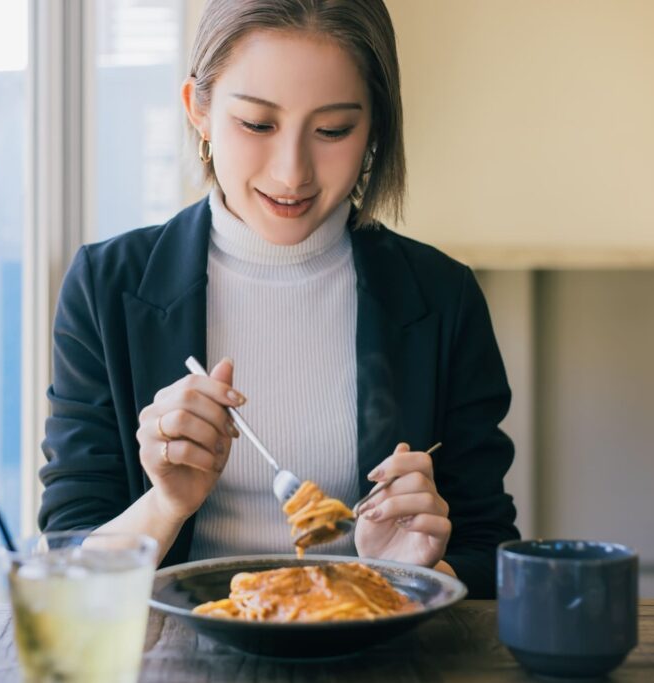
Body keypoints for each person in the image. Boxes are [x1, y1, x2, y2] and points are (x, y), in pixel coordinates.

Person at [39, 0, 519, 599]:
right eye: (258, 124)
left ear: (375, 128)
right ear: (200, 110)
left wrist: (409, 578)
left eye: (333, 130)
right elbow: (64, 561)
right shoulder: (105, 287)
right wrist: (165, 504)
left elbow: (490, 551)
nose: (292, 173)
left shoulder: (443, 297)